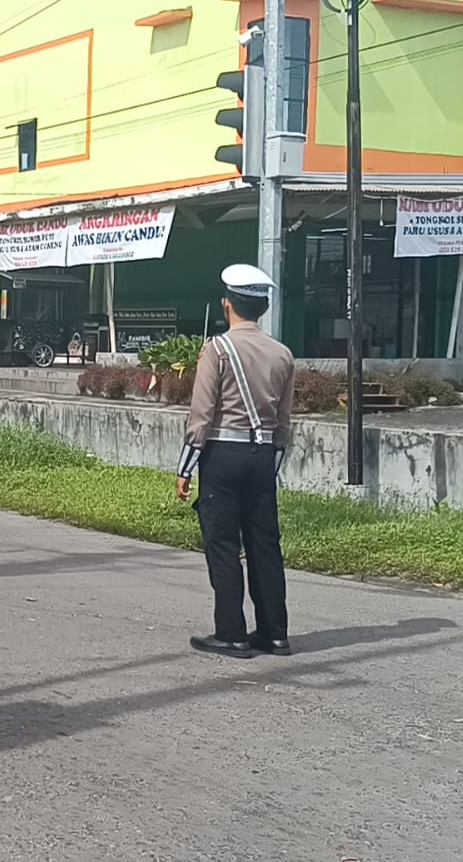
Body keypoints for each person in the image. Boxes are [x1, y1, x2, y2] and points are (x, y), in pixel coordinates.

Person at [178, 264, 296, 659]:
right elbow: (284, 423)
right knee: (265, 544)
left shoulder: (218, 349)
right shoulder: (282, 354)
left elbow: (202, 414)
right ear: (261, 307)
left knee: (224, 544)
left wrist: (185, 467)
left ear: (228, 306)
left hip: (223, 455)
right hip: (263, 456)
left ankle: (231, 633)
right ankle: (274, 634)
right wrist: (270, 464)